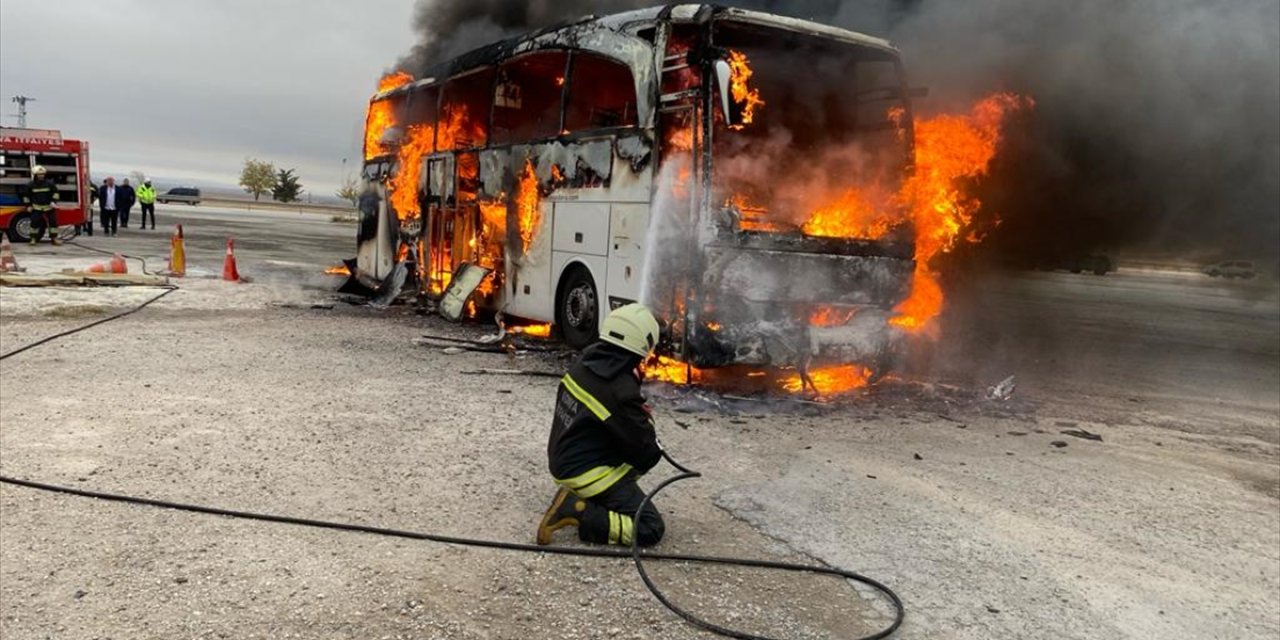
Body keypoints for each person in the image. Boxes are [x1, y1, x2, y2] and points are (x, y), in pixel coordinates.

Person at [536, 303, 666, 548]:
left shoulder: (586, 359)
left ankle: (593, 498)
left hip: (563, 458)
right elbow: (647, 453)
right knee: (649, 528)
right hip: (586, 472)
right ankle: (577, 509)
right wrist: (643, 420)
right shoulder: (620, 391)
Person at [22, 165, 61, 245]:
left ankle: (54, 238)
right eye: (39, 174)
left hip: (49, 207)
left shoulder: (50, 184)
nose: (41, 176)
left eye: (42, 174)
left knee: (53, 223)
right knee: (34, 223)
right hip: (37, 207)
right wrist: (28, 206)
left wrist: (54, 202)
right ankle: (33, 239)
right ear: (35, 175)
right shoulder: (30, 185)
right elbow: (26, 196)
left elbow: (56, 193)